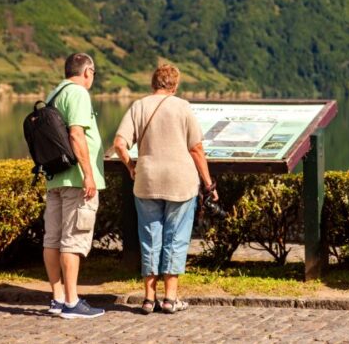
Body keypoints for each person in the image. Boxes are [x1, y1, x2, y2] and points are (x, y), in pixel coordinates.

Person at [113, 64, 218, 314]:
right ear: (175, 85)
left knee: (150, 238)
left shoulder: (139, 106)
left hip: (146, 181)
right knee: (176, 238)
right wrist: (208, 183)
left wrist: (131, 166)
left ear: (153, 84)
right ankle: (170, 299)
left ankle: (149, 299)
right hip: (180, 182)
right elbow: (196, 149)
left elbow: (119, 144)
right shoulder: (183, 107)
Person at [43, 52, 106, 319]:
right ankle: (71, 302)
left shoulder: (54, 94)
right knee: (72, 240)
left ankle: (57, 299)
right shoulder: (78, 93)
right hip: (75, 180)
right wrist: (88, 174)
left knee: (52, 239)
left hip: (55, 177)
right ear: (87, 71)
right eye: (93, 74)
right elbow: (76, 133)